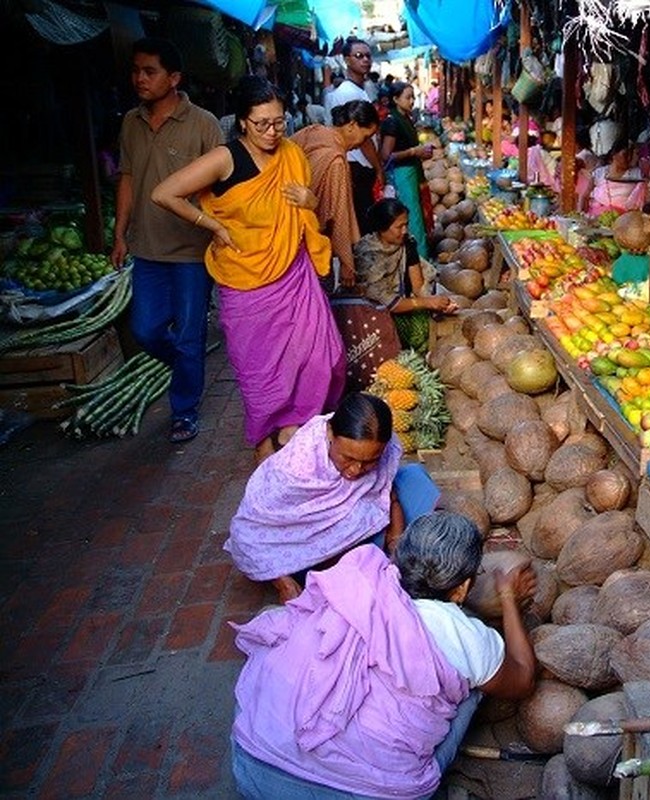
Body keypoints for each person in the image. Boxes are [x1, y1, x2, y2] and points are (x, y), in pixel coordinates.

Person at [230, 511, 538, 799]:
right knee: (473, 687)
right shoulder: (466, 636)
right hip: (362, 793)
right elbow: (523, 680)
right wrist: (509, 598)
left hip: (252, 765)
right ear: (461, 589)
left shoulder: (357, 581)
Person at [151, 76, 346, 464]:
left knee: (323, 357)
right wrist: (215, 226)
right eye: (262, 124)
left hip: (294, 273)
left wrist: (310, 200)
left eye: (279, 121)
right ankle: (264, 444)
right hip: (244, 283)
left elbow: (308, 216)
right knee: (259, 372)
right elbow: (164, 193)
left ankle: (298, 430)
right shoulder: (226, 158)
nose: (273, 132)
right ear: (242, 121)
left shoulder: (292, 154)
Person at [110, 38, 223, 445]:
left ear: (174, 78)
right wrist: (120, 232)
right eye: (136, 70)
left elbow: (219, 188)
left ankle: (184, 410)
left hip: (192, 251)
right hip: (147, 249)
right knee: (146, 330)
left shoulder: (204, 124)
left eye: (149, 71)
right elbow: (127, 177)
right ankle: (187, 366)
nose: (139, 78)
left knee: (191, 333)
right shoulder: (130, 122)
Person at [226, 392, 403, 602]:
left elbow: (387, 493)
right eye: (348, 458)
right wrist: (283, 582)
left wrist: (396, 539)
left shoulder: (386, 447)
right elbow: (248, 533)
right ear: (329, 433)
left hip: (345, 532)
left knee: (417, 482)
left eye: (370, 461)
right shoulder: (296, 468)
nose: (356, 470)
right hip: (293, 552)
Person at [291, 100, 379, 289]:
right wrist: (347, 262)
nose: (361, 145)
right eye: (365, 137)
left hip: (287, 233)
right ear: (352, 125)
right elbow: (338, 215)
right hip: (312, 242)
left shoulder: (314, 131)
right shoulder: (336, 161)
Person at [354, 199, 456, 352]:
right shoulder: (368, 255)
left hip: (402, 303)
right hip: (373, 313)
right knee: (415, 335)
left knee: (425, 329)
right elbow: (386, 302)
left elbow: (418, 287)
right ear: (382, 229)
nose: (405, 230)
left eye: (406, 224)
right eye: (399, 226)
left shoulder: (407, 243)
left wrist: (437, 304)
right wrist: (427, 303)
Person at [323, 38, 385, 233]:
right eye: (359, 56)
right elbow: (363, 139)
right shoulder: (348, 93)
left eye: (368, 55)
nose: (365, 60)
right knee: (360, 224)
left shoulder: (359, 90)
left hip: (358, 166)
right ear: (347, 60)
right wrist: (378, 168)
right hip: (355, 166)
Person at [378, 82, 435, 259]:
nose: (412, 101)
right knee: (413, 220)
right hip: (402, 175)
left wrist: (419, 153)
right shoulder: (392, 122)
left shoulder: (405, 118)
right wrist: (414, 151)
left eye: (413, 97)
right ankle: (419, 261)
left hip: (411, 172)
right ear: (395, 99)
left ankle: (419, 258)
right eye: (407, 97)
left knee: (417, 217)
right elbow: (386, 155)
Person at [586, 139, 647, 217]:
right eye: (625, 155)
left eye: (631, 155)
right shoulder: (599, 173)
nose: (628, 159)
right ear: (614, 154)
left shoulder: (637, 174)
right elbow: (585, 196)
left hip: (625, 219)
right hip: (597, 216)